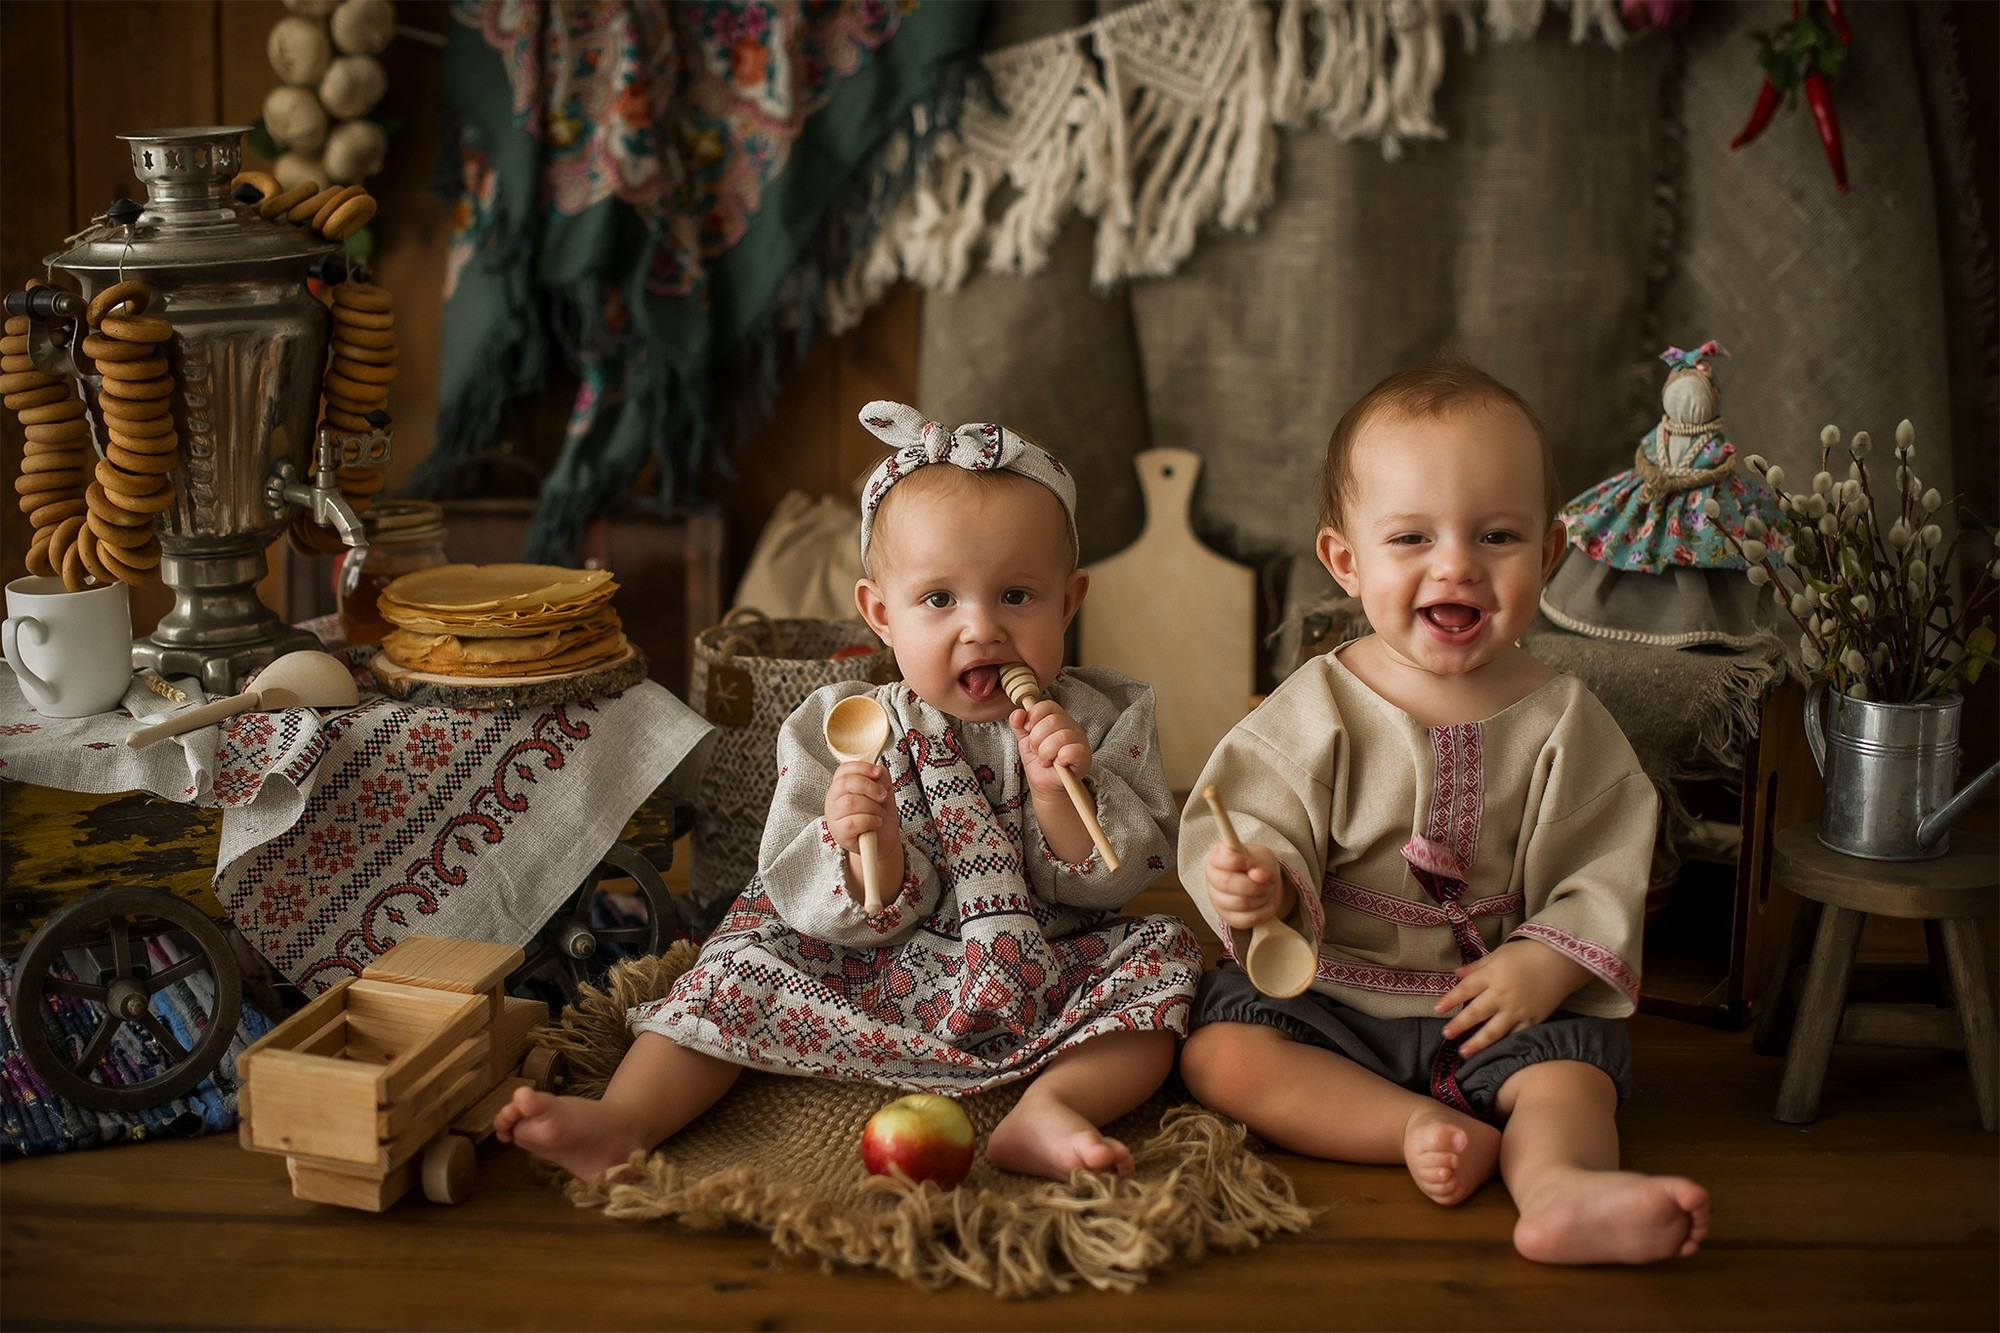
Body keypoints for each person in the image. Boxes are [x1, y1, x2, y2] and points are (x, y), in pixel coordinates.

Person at [498, 399, 1202, 1183]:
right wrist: (869, 847)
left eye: (1016, 596)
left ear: (1069, 601)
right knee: (732, 960)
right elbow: (805, 891)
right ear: (880, 614)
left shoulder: (1100, 719)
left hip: (1047, 954)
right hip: (872, 963)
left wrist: (1059, 795)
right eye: (939, 599)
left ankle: (1054, 1106)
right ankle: (626, 1119)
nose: (981, 628)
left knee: (1163, 963)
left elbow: (1119, 876)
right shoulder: (841, 724)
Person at [1177, 361, 1710, 1265]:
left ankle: (1560, 1189)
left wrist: (1543, 964)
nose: (1455, 563)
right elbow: (1256, 813)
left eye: (1496, 534)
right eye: (1412, 537)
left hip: (1497, 1003)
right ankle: (1410, 1127)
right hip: (1333, 991)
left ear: (1547, 555)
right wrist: (1259, 879)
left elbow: (1604, 857)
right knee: (1221, 1055)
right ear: (1346, 561)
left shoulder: (1562, 717)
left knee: (1570, 1076)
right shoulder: (1321, 703)